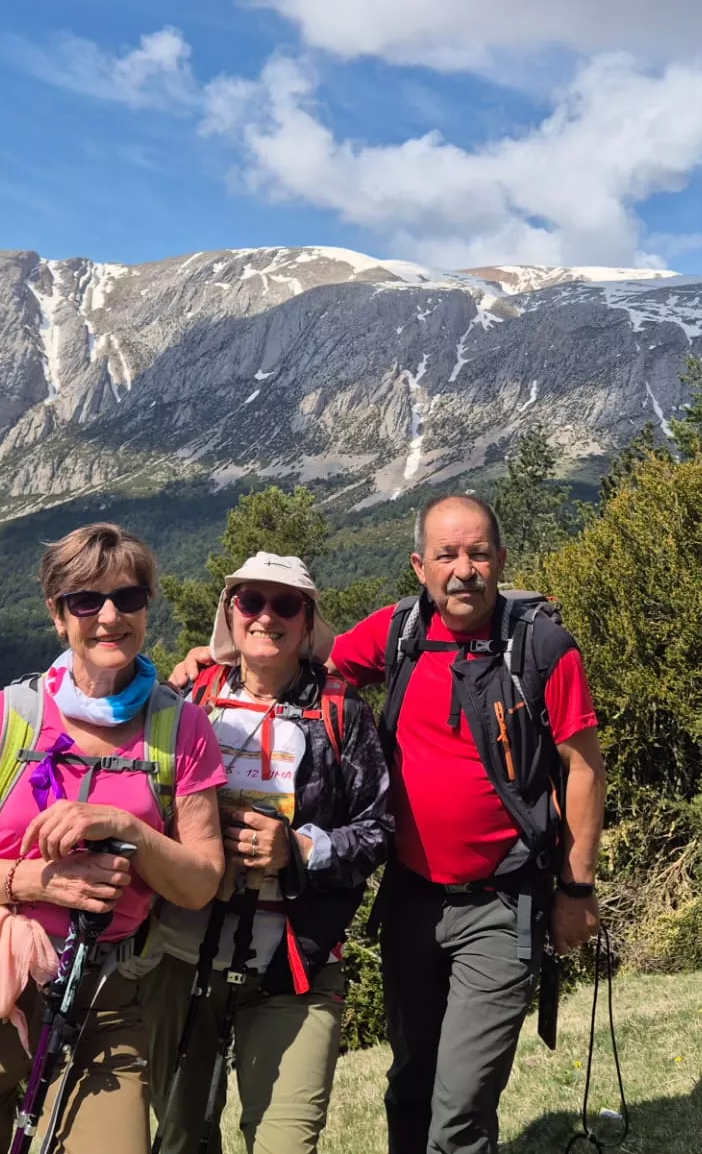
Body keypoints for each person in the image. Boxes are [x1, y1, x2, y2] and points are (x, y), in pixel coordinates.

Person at [174, 494, 605, 1154]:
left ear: (502, 559)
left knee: (459, 1108)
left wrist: (575, 891)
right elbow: (298, 668)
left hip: (504, 897)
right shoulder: (399, 631)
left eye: (479, 553)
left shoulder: (542, 648)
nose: (464, 570)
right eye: (447, 555)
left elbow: (583, 769)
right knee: (409, 1084)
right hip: (411, 900)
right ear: (419, 565)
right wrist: (215, 662)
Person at [0, 523, 227, 1154]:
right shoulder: (6, 716)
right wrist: (37, 881)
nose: (109, 617)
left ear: (146, 608)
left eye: (128, 599)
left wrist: (127, 828)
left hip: (107, 1003)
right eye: (86, 601)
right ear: (59, 616)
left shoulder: (182, 728)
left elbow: (200, 883)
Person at [141, 552, 391, 1154]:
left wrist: (299, 849)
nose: (266, 618)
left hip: (296, 966)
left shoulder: (343, 713)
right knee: (175, 1141)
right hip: (182, 953)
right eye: (251, 602)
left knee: (285, 1142)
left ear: (307, 622)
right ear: (230, 613)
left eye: (285, 605)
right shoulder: (184, 699)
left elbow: (380, 828)